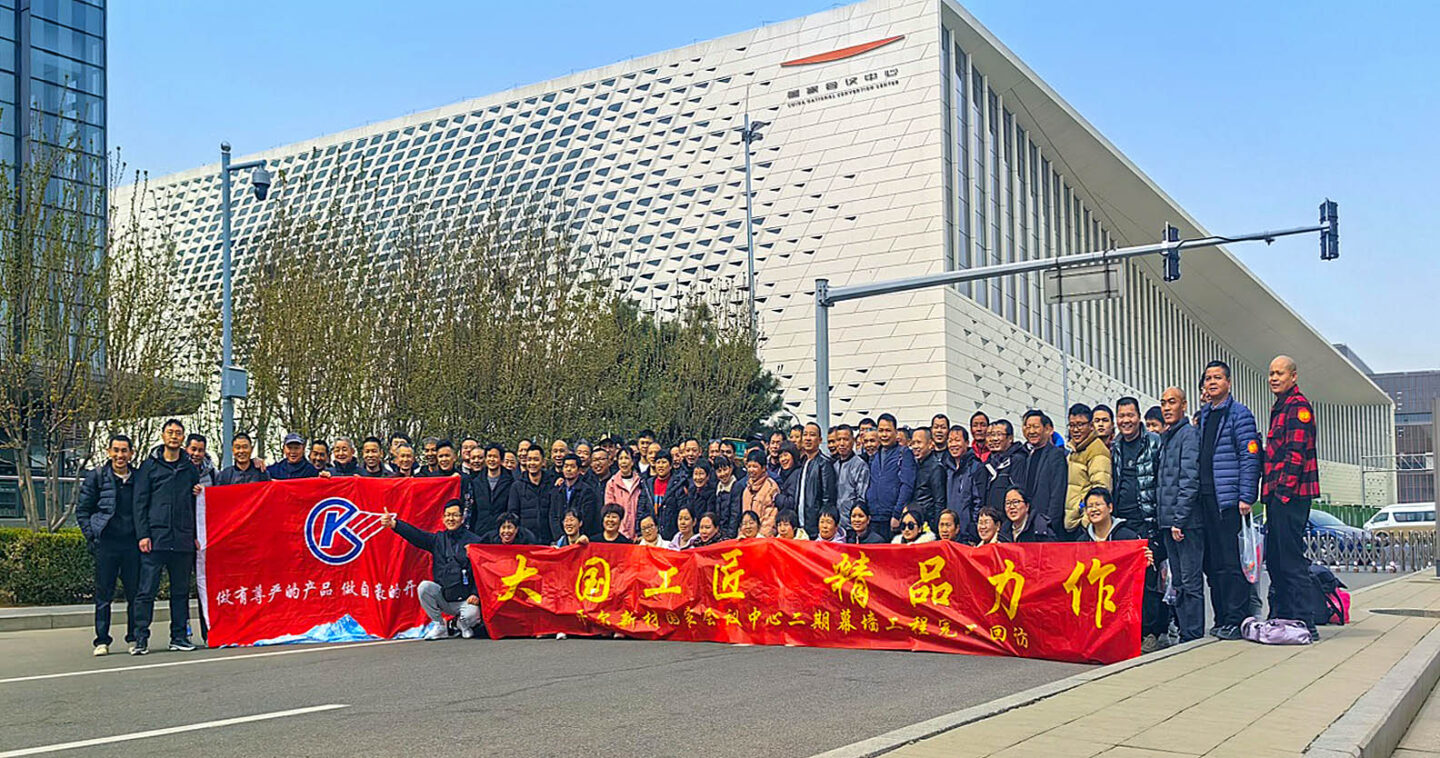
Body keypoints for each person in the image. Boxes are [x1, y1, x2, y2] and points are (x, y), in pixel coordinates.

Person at [1197, 360, 1261, 640]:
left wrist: (1246, 496)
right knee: (1213, 564)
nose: (1212, 382)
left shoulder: (1240, 414)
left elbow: (1250, 456)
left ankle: (1237, 619)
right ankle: (1222, 617)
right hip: (1206, 500)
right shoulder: (1205, 415)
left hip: (1229, 501)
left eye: (1218, 378)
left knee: (1232, 562)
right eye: (1208, 378)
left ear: (1229, 383)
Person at [1262, 355, 1321, 642]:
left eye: (1280, 373)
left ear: (1293, 376)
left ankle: (1304, 621)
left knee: (1291, 559)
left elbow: (1295, 455)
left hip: (1291, 497)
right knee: (1275, 558)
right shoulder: (1281, 406)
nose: (1274, 378)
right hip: (1277, 495)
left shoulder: (1298, 407)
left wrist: (1282, 495)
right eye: (1271, 373)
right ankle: (1283, 616)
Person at [132, 419, 200, 655]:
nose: (174, 436)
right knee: (146, 591)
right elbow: (139, 503)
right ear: (163, 435)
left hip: (182, 540)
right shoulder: (149, 466)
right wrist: (143, 535)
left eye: (178, 433)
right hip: (156, 538)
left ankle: (179, 637)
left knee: (180, 593)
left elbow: (196, 504)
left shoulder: (189, 468)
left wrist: (195, 534)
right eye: (170, 432)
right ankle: (141, 638)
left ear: (183, 438)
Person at [381, 499, 484, 640]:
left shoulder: (475, 541)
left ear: (462, 518)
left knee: (471, 615)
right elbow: (417, 535)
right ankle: (440, 625)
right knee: (424, 587)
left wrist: (475, 593)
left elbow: (482, 572)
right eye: (447, 515)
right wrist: (395, 525)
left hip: (466, 599)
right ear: (443, 518)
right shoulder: (438, 540)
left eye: (455, 515)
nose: (451, 519)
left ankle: (461, 624)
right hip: (445, 596)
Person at [77, 433, 141, 656]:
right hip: (107, 544)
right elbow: (82, 510)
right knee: (104, 596)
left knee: (135, 595)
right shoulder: (96, 477)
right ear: (108, 451)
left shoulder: (138, 478)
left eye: (124, 451)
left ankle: (134, 638)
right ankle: (102, 641)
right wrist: (92, 535)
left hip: (132, 544)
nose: (120, 455)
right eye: (116, 450)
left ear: (131, 453)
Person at [1112, 396, 1167, 650]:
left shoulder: (1154, 442)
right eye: (1121, 416)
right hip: (1122, 521)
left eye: (1130, 415)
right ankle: (1131, 629)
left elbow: (1162, 478)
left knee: (1149, 575)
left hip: (1147, 518)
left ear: (1138, 417)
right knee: (1125, 578)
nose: (1126, 420)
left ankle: (1151, 631)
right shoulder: (1115, 446)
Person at [1157, 386, 1204, 643]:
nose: (1166, 407)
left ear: (1183, 405)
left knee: (1190, 581)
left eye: (1172, 402)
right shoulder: (1168, 436)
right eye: (1163, 402)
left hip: (1185, 524)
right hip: (1168, 522)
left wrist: (1179, 519)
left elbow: (1189, 479)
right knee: (1178, 584)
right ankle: (1186, 634)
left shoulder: (1189, 435)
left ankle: (1193, 636)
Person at [1064, 404, 1113, 537]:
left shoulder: (1097, 450)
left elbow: (1101, 488)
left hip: (1086, 525)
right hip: (1073, 522)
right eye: (1072, 425)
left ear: (1091, 426)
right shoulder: (1075, 450)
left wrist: (1086, 521)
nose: (1075, 430)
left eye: (1080, 425)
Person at [867, 413, 915, 541]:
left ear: (895, 432)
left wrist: (897, 514)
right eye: (881, 430)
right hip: (874, 516)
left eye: (888, 430)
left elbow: (907, 486)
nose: (884, 434)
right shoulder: (874, 456)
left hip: (891, 517)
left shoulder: (904, 453)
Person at [1019, 410, 1067, 533]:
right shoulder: (1029, 456)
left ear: (1048, 429)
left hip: (1046, 524)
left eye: (1036, 427)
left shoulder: (1055, 455)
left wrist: (1050, 523)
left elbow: (1058, 493)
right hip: (1030, 522)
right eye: (1028, 427)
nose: (1031, 431)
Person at [793, 422, 837, 536]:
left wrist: (822, 523)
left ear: (820, 440)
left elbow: (828, 498)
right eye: (805, 434)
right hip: (800, 525)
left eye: (812, 435)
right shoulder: (802, 462)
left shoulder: (824, 463)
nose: (808, 438)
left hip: (816, 527)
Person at [943, 427, 983, 543]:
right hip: (949, 532)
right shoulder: (946, 468)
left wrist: (972, 528)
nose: (953, 444)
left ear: (967, 443)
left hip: (968, 533)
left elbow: (979, 501)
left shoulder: (976, 467)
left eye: (957, 440)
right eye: (950, 441)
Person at [548, 454, 599, 540]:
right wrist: (560, 537)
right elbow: (553, 516)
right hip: (560, 539)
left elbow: (587, 518)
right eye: (566, 466)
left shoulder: (587, 491)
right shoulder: (557, 490)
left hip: (579, 538)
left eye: (572, 466)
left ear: (579, 470)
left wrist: (576, 537)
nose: (568, 469)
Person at [606, 447, 653, 539]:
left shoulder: (641, 482)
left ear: (632, 462)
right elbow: (610, 509)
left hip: (638, 534)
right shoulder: (611, 483)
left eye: (627, 458)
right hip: (618, 534)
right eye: (621, 458)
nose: (624, 462)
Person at [508, 447, 551, 543]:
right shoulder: (517, 486)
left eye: (536, 459)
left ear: (543, 462)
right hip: (525, 540)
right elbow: (513, 514)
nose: (532, 463)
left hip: (548, 540)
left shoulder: (551, 484)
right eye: (529, 459)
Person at [980, 420, 1025, 512]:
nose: (994, 439)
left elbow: (1019, 492)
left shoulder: (1017, 460)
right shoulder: (988, 463)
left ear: (1010, 438)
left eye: (999, 434)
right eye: (989, 435)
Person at [831, 424, 870, 531]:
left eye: (846, 439)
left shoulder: (860, 465)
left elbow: (861, 497)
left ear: (853, 441)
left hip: (852, 525)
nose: (842, 443)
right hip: (835, 526)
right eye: (838, 440)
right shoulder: (834, 465)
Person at [469, 444, 513, 535]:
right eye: (489, 456)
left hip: (502, 533)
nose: (492, 459)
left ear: (501, 460)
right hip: (480, 531)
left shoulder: (511, 482)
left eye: (495, 457)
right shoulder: (476, 482)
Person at [909, 428, 947, 531]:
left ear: (930, 444)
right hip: (915, 520)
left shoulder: (936, 468)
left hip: (928, 521)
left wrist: (936, 526)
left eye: (919, 442)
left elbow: (939, 501)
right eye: (913, 443)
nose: (915, 446)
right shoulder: (914, 464)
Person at [648, 451, 689, 540]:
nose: (661, 465)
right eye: (658, 462)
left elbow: (682, 509)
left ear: (670, 466)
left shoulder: (678, 485)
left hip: (672, 535)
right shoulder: (648, 484)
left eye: (664, 462)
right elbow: (642, 509)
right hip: (651, 534)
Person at [741, 450, 780, 537]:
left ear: (763, 468)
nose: (751, 470)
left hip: (763, 538)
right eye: (749, 466)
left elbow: (771, 519)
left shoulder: (771, 487)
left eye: (755, 466)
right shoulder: (746, 489)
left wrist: (759, 537)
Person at [711, 456, 742, 538]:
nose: (723, 474)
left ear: (731, 468)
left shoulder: (736, 486)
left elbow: (735, 514)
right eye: (719, 471)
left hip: (731, 534)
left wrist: (729, 536)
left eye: (725, 469)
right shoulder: (718, 487)